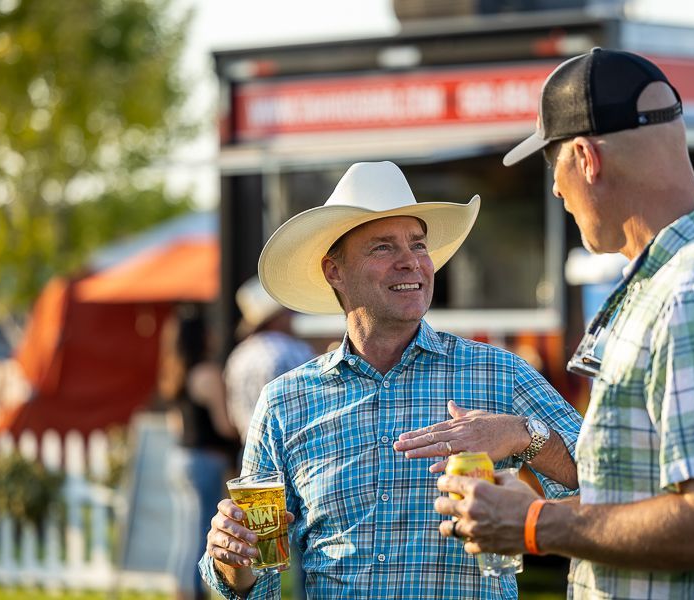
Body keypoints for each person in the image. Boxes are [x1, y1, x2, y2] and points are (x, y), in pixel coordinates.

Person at [435, 48, 694, 599]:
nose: (557, 191)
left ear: (587, 160)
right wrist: (528, 442)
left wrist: (536, 523)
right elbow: (636, 490)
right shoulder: (686, 277)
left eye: (552, 167)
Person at [199, 160, 583, 599]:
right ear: (334, 271)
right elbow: (258, 581)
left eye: (418, 245)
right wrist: (231, 557)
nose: (411, 263)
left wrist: (519, 434)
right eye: (383, 247)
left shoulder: (499, 373)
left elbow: (608, 477)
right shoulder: (285, 401)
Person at [159, 304, 239, 600]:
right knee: (201, 534)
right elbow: (225, 426)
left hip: (180, 458)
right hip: (206, 460)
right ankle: (194, 593)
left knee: (184, 534)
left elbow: (175, 423)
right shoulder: (208, 373)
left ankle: (180, 592)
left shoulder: (175, 373)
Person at [225, 276, 315, 445]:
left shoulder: (238, 355)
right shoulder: (293, 349)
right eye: (287, 312)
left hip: (249, 446)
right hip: (291, 446)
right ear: (276, 318)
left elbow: (233, 414)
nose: (292, 317)